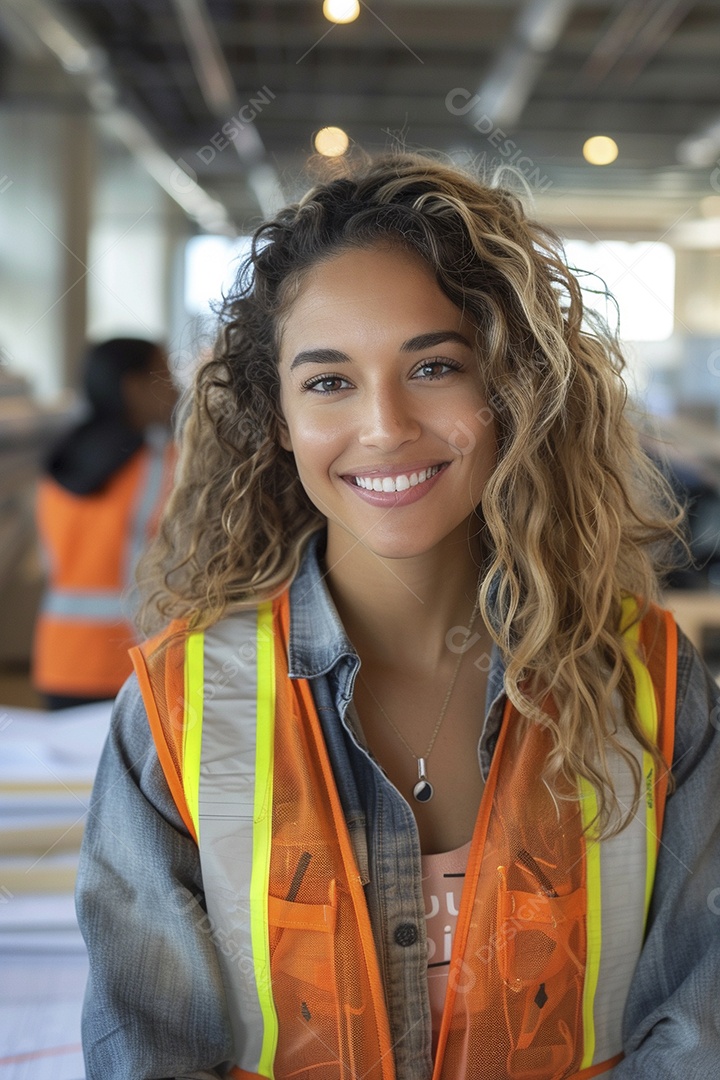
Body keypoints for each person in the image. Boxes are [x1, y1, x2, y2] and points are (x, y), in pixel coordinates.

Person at [76, 154, 720, 1078]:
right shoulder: (177, 709)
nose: (384, 426)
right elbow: (149, 1049)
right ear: (281, 418)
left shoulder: (652, 683)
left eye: (433, 366)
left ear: (510, 391)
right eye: (329, 381)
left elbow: (698, 1032)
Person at [32, 337, 177, 709]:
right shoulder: (166, 464)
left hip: (60, 659)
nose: (175, 387)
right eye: (163, 375)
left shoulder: (59, 457)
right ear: (133, 387)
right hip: (133, 659)